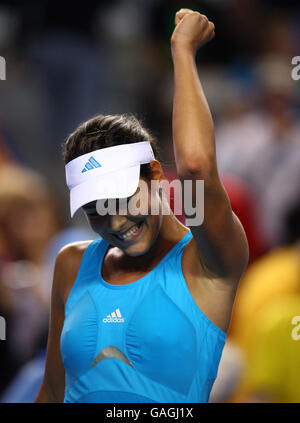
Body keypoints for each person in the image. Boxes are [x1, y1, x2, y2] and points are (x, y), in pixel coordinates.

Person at [35, 8, 248, 403]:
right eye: (96, 209)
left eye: (122, 199)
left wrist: (183, 52)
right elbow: (50, 391)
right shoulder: (70, 264)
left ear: (154, 172)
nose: (115, 221)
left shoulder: (206, 260)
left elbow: (197, 170)